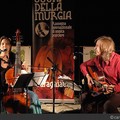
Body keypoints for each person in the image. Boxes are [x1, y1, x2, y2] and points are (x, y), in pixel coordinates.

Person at [0, 36, 42, 114]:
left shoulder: (14, 57)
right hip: (4, 90)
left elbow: (22, 70)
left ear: (10, 46)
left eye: (7, 44)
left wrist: (24, 66)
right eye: (2, 44)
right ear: (0, 46)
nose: (4, 46)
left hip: (18, 89)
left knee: (34, 96)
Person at [80, 36, 120, 113]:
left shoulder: (118, 61)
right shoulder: (98, 59)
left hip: (117, 91)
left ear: (105, 48)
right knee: (83, 97)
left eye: (97, 46)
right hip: (104, 90)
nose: (94, 48)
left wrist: (114, 88)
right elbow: (83, 65)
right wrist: (88, 76)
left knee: (108, 105)